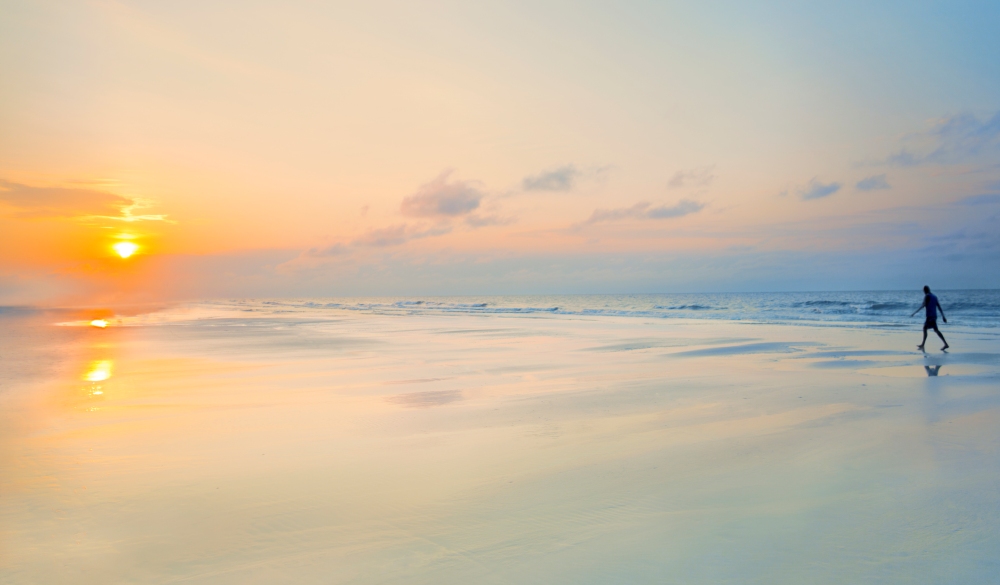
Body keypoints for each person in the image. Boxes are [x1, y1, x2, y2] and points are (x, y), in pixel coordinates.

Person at [910, 285, 948, 351]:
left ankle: (923, 344)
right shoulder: (934, 296)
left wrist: (915, 312)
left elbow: (923, 305)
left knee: (925, 328)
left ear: (925, 290)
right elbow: (939, 307)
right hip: (934, 316)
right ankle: (945, 344)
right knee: (935, 330)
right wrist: (943, 316)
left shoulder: (927, 296)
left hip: (930, 316)